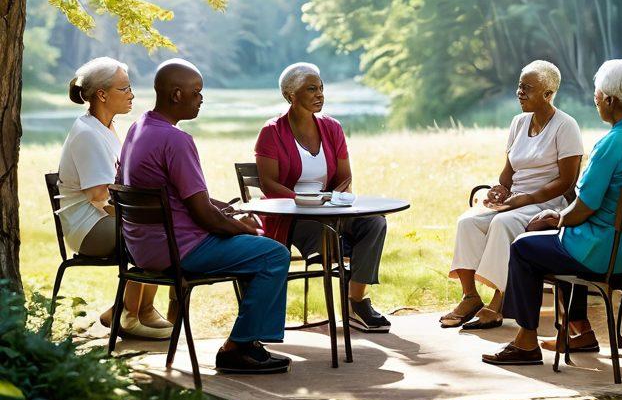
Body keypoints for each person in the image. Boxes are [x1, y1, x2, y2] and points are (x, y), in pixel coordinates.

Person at [482, 60, 622, 365]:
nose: (596, 101)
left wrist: (556, 217)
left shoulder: (610, 144)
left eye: (597, 96)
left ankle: (525, 341)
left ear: (609, 100)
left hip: (603, 253)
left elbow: (583, 207)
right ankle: (579, 330)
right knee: (558, 239)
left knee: (525, 247)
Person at [118, 59, 291, 375]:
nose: (201, 99)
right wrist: (244, 228)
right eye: (196, 93)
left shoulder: (138, 128)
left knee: (254, 254)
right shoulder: (176, 140)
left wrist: (220, 208)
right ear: (176, 94)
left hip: (144, 248)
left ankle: (249, 343)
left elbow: (166, 193)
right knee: (273, 254)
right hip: (180, 249)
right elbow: (204, 216)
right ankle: (237, 349)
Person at [441, 60, 583, 331]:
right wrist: (501, 190)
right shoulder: (519, 123)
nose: (520, 93)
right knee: (468, 221)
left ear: (548, 94)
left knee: (502, 223)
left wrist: (525, 199)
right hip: (517, 199)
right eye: (519, 86)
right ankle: (470, 297)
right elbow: (509, 170)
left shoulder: (566, 126)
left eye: (527, 88)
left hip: (546, 203)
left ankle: (498, 302)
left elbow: (567, 181)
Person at [255, 62, 391, 333]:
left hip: (331, 211)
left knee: (375, 222)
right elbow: (268, 183)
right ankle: (344, 267)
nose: (320, 94)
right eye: (311, 89)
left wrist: (332, 199)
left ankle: (356, 302)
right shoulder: (272, 132)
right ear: (290, 95)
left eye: (321, 88)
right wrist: (304, 201)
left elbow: (345, 178)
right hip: (291, 217)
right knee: (335, 242)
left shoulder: (332, 128)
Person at [56, 57, 169, 339]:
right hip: (88, 227)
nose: (131, 95)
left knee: (161, 227)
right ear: (102, 94)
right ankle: (127, 316)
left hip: (104, 218)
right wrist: (140, 218)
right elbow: (98, 196)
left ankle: (134, 310)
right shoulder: (87, 133)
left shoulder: (105, 127)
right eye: (125, 88)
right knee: (156, 232)